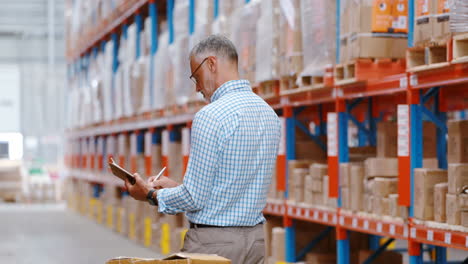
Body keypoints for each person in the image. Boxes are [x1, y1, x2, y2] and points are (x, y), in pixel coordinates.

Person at [124, 35, 281, 264]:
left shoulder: (210, 116)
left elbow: (193, 198)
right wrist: (178, 187)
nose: (197, 87)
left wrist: (149, 194)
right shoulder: (269, 114)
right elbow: (228, 187)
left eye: (196, 77)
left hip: (213, 245)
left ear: (211, 64)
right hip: (255, 242)